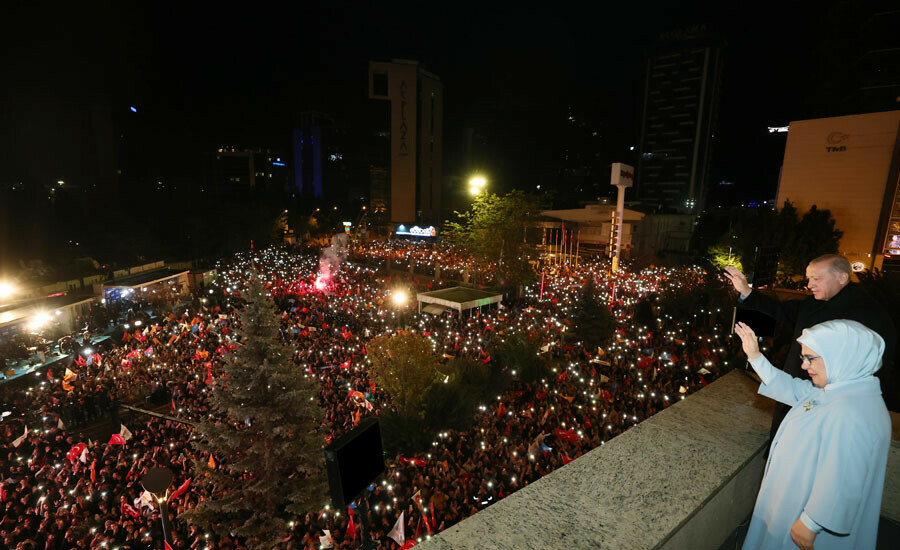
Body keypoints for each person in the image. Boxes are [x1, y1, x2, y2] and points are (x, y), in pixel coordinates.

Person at [735, 319, 890, 550]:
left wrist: (811, 522)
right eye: (803, 358)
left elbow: (845, 476)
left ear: (841, 356)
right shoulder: (840, 390)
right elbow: (791, 387)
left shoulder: (853, 411)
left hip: (808, 521)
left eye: (811, 358)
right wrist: (755, 356)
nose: (805, 366)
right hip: (797, 501)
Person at [724, 255, 895, 440]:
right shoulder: (814, 302)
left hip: (832, 410)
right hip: (798, 392)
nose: (810, 284)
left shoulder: (869, 315)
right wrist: (746, 291)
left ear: (842, 277)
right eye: (809, 279)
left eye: (816, 278)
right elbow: (780, 311)